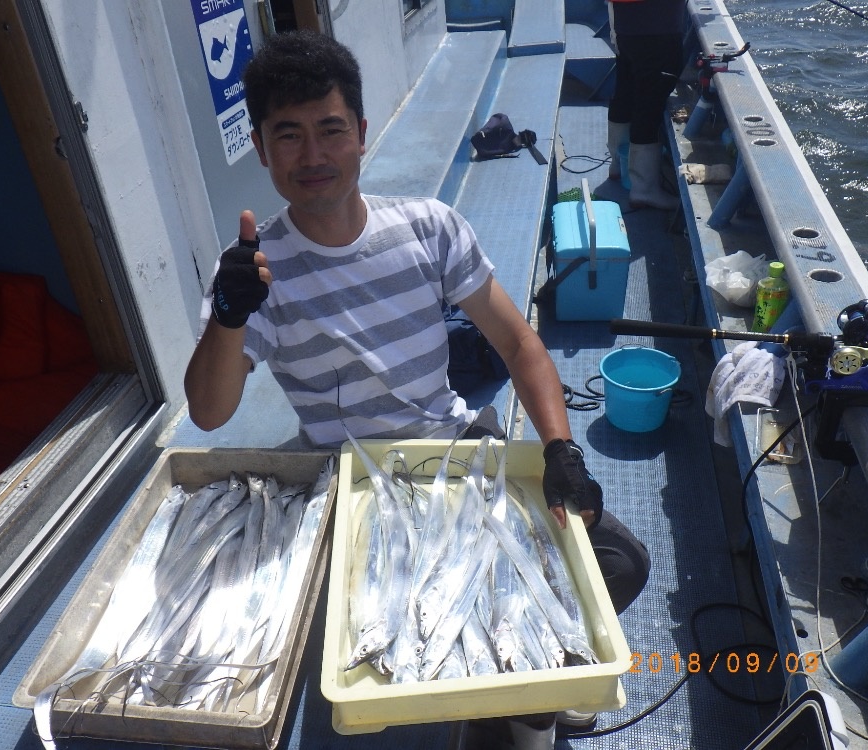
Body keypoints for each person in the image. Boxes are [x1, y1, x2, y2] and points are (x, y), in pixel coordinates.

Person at [184, 29, 649, 749]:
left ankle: (529, 702)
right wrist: (229, 314)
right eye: (289, 136)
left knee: (619, 563)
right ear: (263, 149)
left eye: (331, 130)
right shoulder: (253, 271)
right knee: (367, 636)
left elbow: (518, 343)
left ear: (362, 133)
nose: (313, 155)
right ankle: (522, 696)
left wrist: (561, 448)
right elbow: (210, 412)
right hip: (350, 482)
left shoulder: (430, 227)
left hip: (456, 452)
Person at [605, 0, 687, 209]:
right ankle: (644, 188)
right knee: (649, 105)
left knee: (625, 93)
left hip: (624, 26)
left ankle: (618, 164)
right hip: (657, 30)